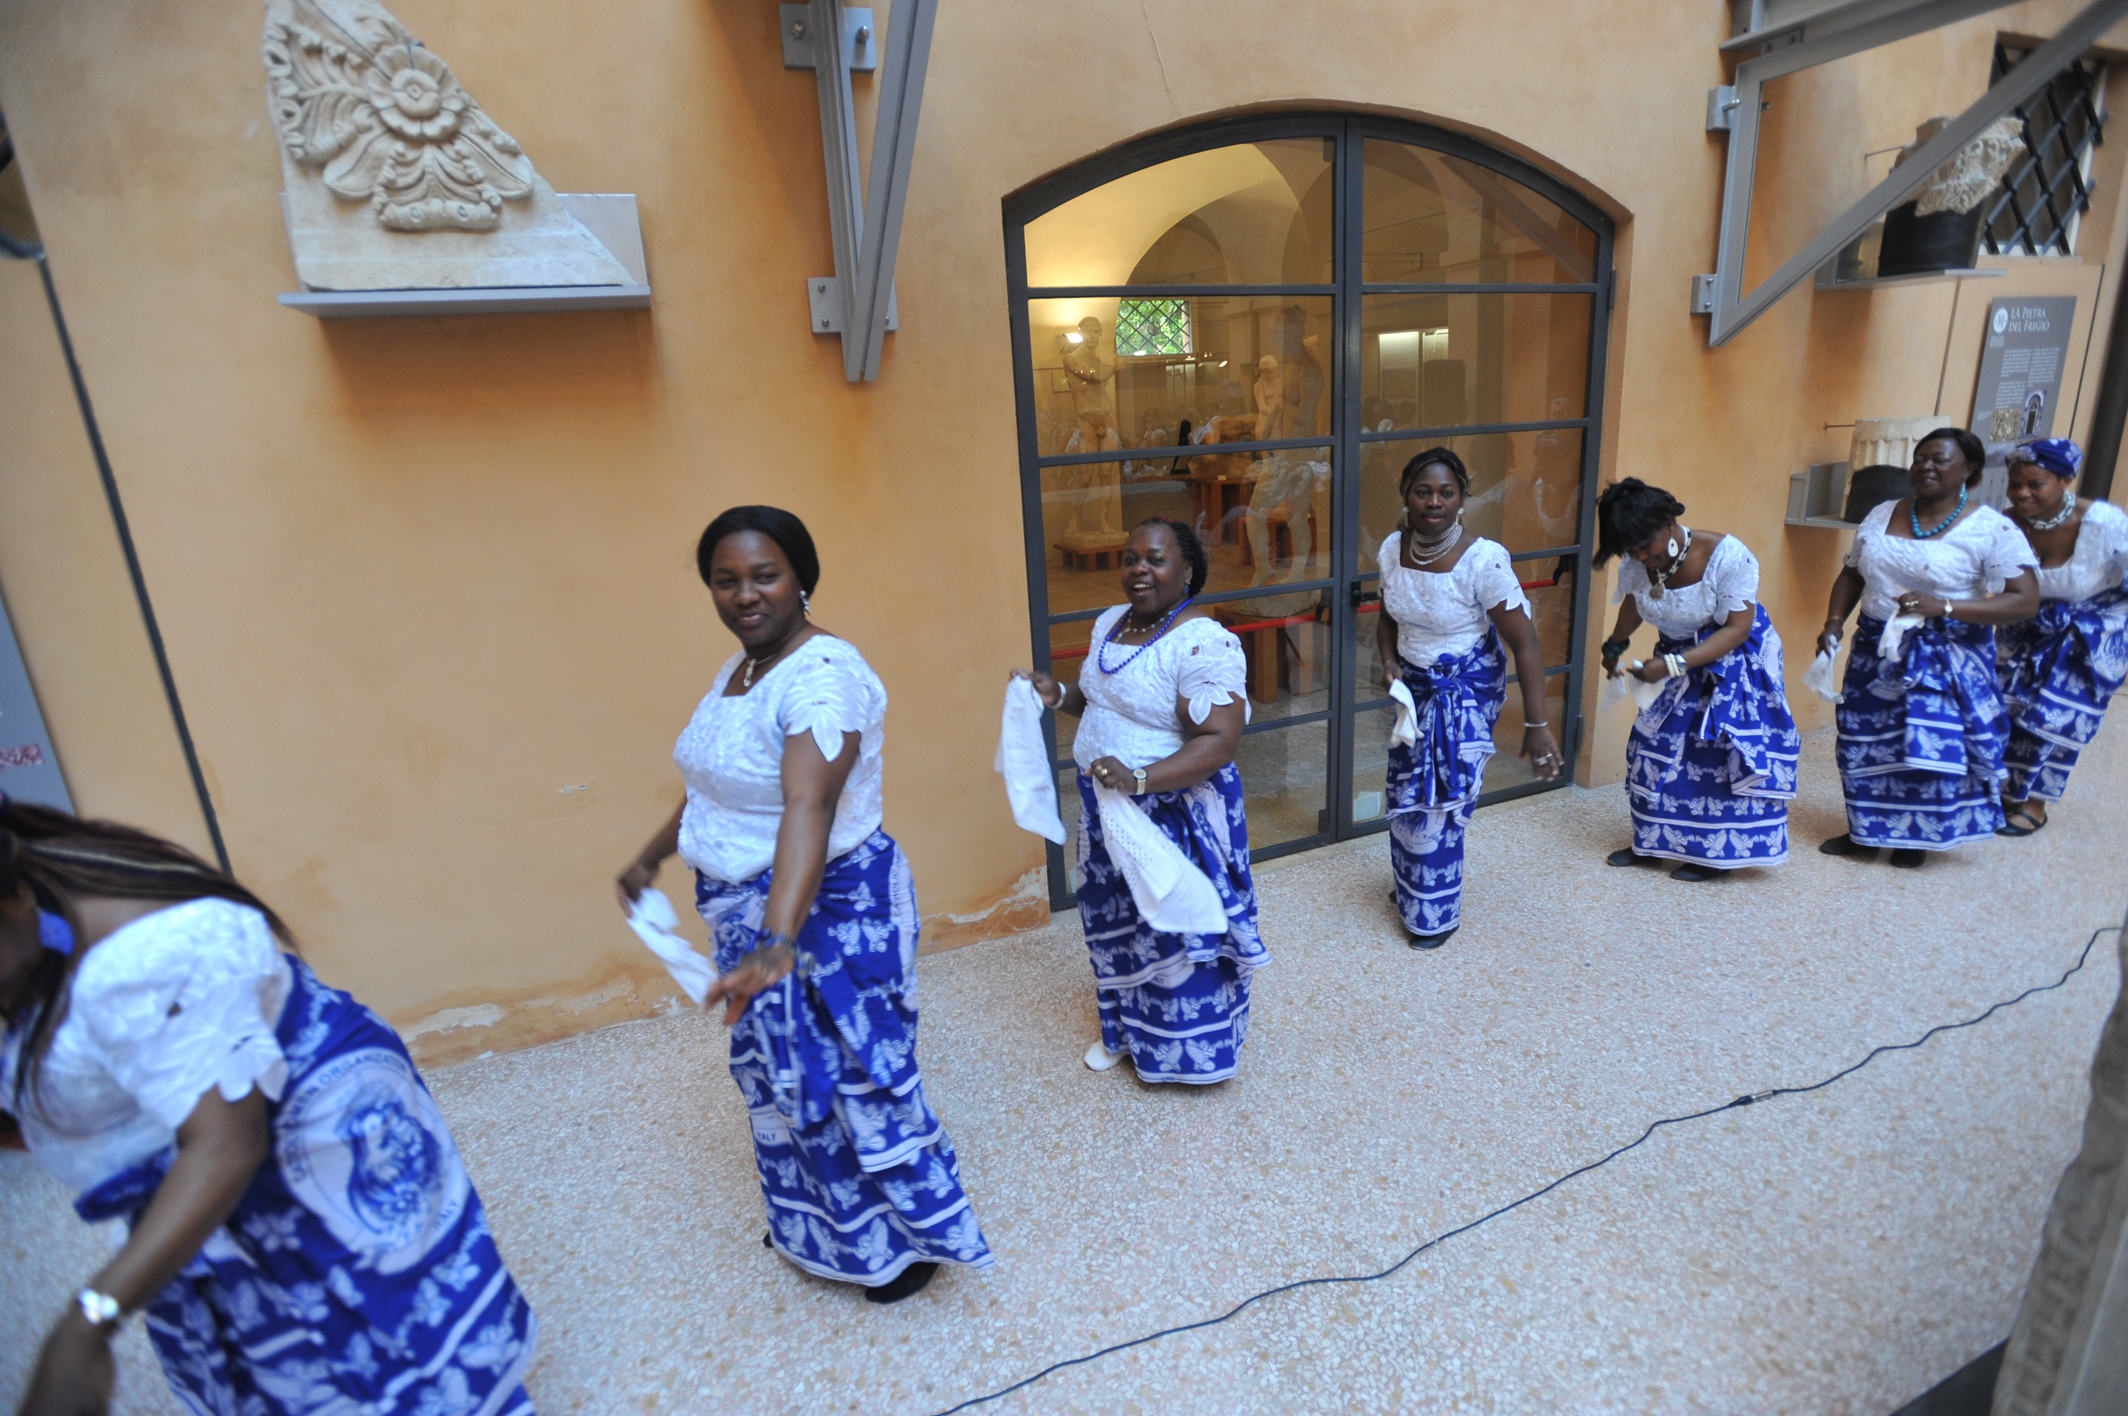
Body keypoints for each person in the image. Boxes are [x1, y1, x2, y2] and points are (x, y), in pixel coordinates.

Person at [0, 798, 536, 1416]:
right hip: (209, 1158)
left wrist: (85, 1327)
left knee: (377, 1330)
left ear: (16, 896)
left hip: (294, 1141)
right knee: (279, 1353)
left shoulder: (141, 956)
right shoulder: (37, 921)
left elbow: (227, 1144)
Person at [617, 506, 991, 1303]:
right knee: (782, 1074)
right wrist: (650, 858)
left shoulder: (824, 678)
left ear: (802, 579)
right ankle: (816, 1225)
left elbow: (807, 807)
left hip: (831, 913)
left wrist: (779, 940)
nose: (744, 594)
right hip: (754, 920)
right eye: (726, 580)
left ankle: (903, 1247)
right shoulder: (740, 672)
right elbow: (712, 788)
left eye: (765, 575)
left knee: (854, 1076)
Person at [1020, 517, 1269, 1081]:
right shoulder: (1110, 622)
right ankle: (1124, 1035)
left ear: (1187, 570)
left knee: (1173, 931)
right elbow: (1102, 699)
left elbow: (1220, 740)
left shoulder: (1204, 642)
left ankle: (1193, 1051)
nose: (1139, 570)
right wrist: (1058, 694)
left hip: (1171, 811)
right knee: (1120, 925)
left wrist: (1138, 778)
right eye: (1131, 558)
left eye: (1156, 559)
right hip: (1106, 806)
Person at [1817, 427, 2039, 864]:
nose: (1926, 467)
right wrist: (1834, 622)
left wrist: (1946, 607)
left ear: (1969, 469)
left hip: (1947, 653)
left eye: (1940, 459)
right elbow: (1853, 573)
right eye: (1920, 458)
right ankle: (1865, 831)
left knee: (1928, 744)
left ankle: (1916, 837)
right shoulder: (1882, 513)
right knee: (1863, 740)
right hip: (1877, 648)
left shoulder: (1991, 528)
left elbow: (2025, 600)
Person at [1374, 449, 1560, 945]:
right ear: (1406, 494)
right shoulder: (1392, 549)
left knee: (1441, 796)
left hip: (1465, 689)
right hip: (1414, 690)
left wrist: (1537, 725)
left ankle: (1435, 913)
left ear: (1462, 498)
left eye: (1446, 492)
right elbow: (1387, 617)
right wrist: (1389, 660)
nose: (1434, 502)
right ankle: (1413, 883)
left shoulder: (1484, 560)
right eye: (1423, 492)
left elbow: (1525, 643)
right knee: (1406, 787)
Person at [1595, 479, 1798, 880]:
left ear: (1669, 524)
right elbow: (1637, 602)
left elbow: (1737, 628)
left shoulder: (1729, 557)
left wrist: (1671, 665)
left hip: (1733, 661)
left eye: (1646, 545)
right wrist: (1615, 644)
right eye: (1631, 550)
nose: (1641, 556)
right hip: (1675, 657)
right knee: (1652, 746)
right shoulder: (1638, 562)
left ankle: (1715, 854)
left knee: (1714, 754)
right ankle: (1653, 842)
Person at [1995, 437, 2128, 835]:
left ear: (2066, 481)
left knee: (2056, 719)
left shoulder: (2104, 523)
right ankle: (2005, 792)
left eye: (2035, 484)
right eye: (2015, 484)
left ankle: (2035, 805)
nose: (2022, 493)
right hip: (2024, 627)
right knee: (2006, 710)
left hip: (2089, 635)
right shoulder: (2005, 523)